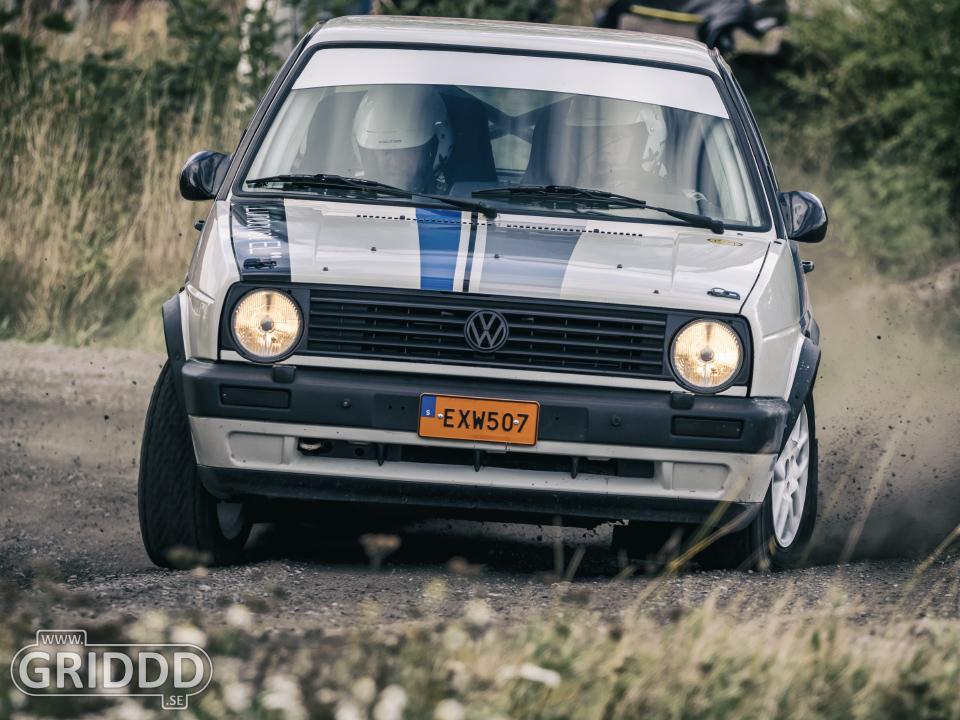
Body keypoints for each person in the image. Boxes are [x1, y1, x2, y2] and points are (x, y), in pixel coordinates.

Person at [352, 85, 453, 194]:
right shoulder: (351, 194)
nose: (396, 163)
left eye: (406, 150)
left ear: (431, 150)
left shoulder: (452, 199)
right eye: (386, 151)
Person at [563, 95, 668, 192]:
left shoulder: (671, 200)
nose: (604, 149)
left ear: (645, 142)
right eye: (594, 137)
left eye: (618, 137)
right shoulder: (562, 195)